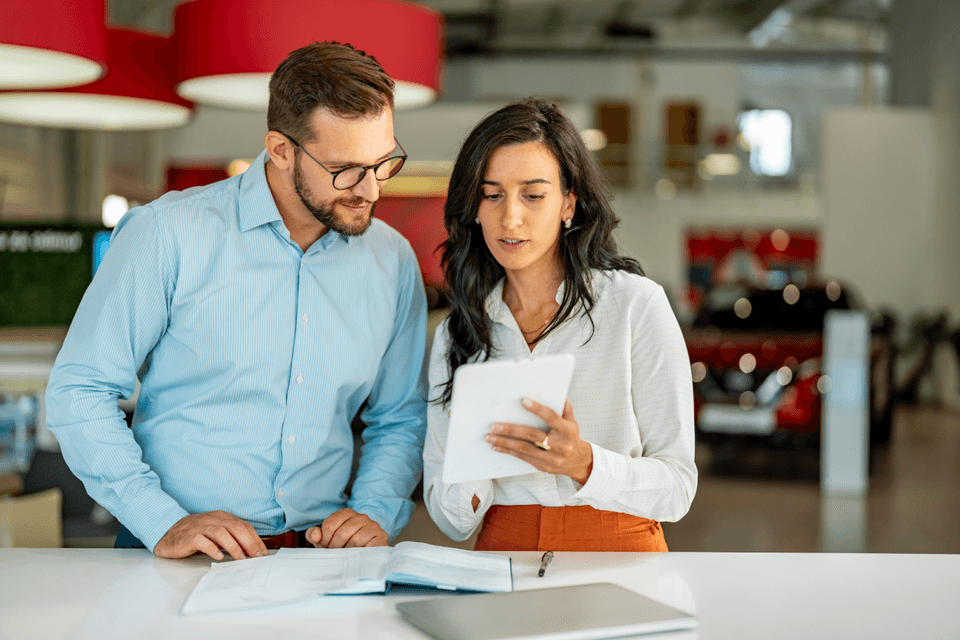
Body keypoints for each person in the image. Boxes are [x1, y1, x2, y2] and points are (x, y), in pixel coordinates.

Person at [45, 42, 428, 561]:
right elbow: (80, 389)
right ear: (280, 149)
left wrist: (375, 511)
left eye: (384, 163)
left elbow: (400, 417)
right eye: (345, 169)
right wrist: (160, 521)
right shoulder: (167, 234)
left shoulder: (393, 261)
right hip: (175, 556)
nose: (371, 190)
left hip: (321, 563)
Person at [423, 98, 697, 552]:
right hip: (502, 552)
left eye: (533, 195)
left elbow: (678, 486)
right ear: (473, 207)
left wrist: (584, 463)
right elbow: (454, 522)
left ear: (568, 203)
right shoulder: (459, 334)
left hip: (620, 548)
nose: (510, 217)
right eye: (492, 195)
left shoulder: (634, 305)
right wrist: (479, 450)